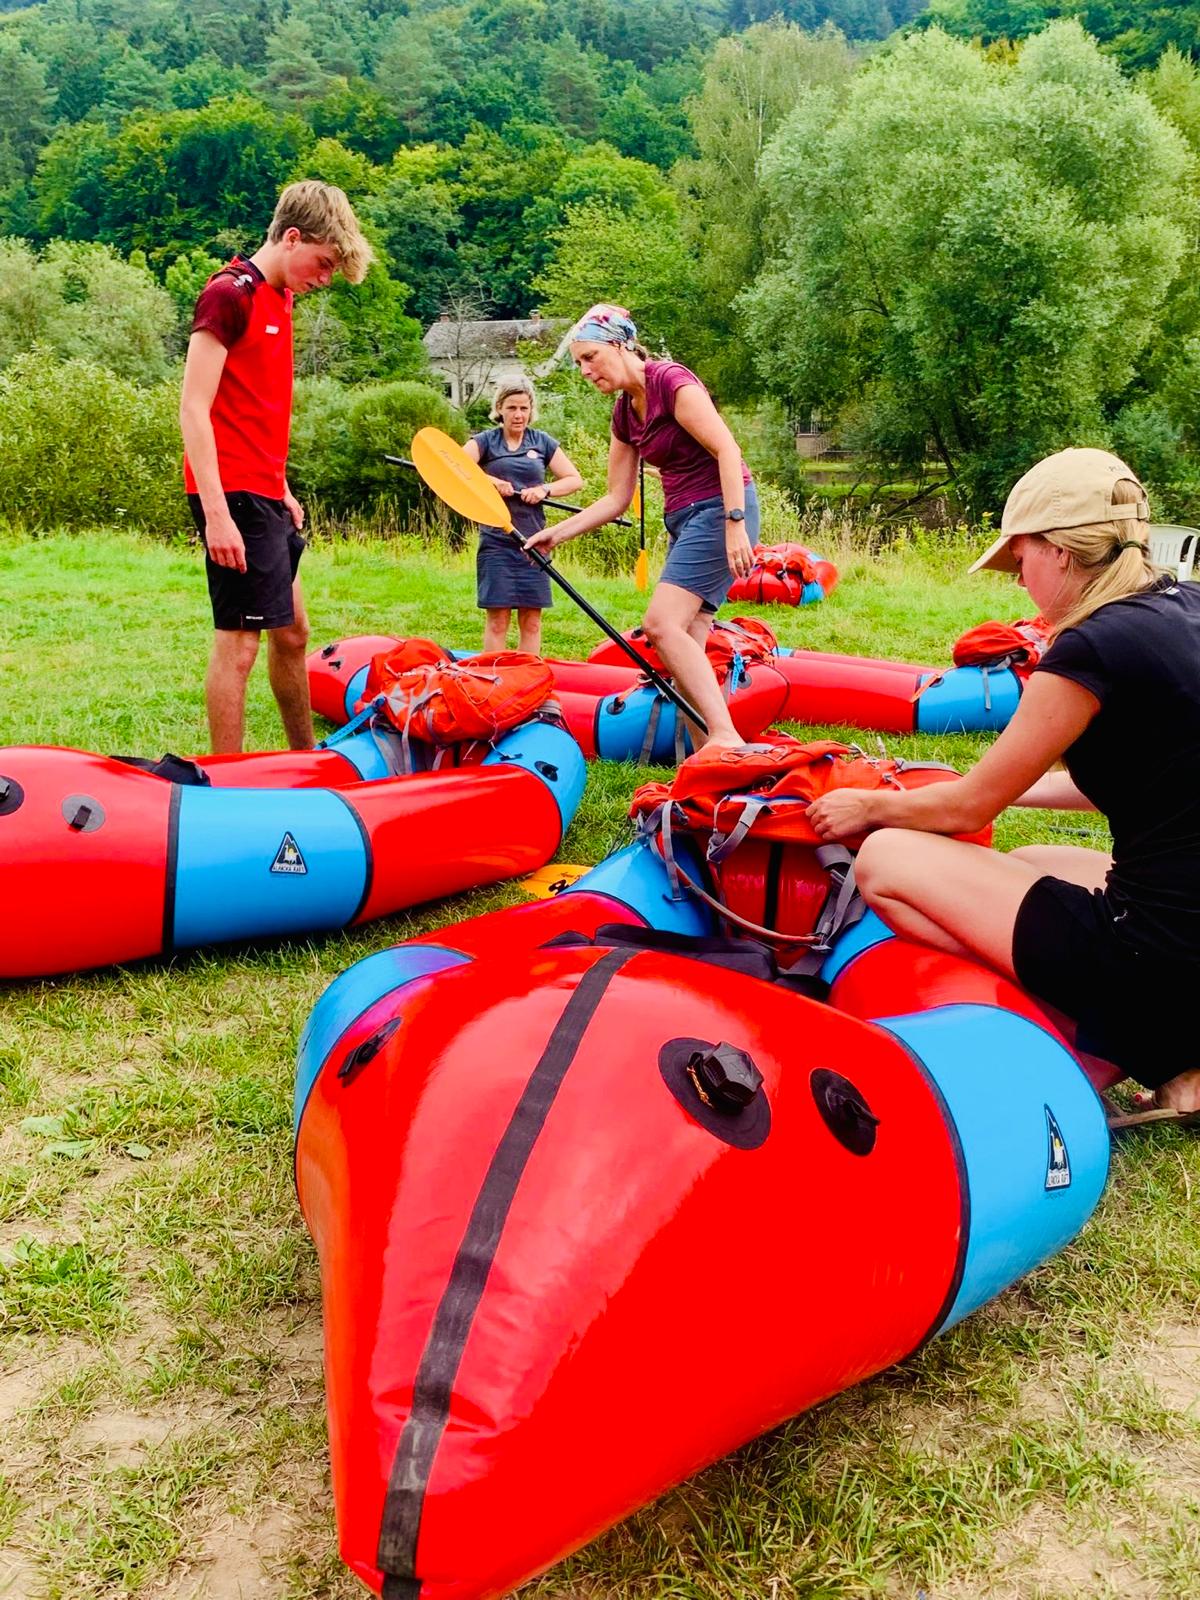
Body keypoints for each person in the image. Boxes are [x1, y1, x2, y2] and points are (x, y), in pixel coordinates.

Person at [806, 447, 1200, 1117]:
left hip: (1154, 953)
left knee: (885, 862)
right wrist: (1001, 783)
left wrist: (870, 805)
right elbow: (1143, 781)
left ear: (1059, 553)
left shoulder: (1092, 649)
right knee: (1031, 862)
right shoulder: (1184, 605)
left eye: (1020, 562)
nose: (1020, 582)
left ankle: (1129, 1041)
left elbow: (966, 810)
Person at [180, 180, 373, 753]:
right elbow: (195, 408)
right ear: (292, 238)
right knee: (238, 645)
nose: (324, 277)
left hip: (263, 490)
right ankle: (226, 781)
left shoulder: (280, 297)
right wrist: (217, 513)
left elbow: (254, 404)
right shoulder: (228, 293)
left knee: (292, 633)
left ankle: (303, 758)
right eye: (324, 263)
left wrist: (281, 484)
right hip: (231, 494)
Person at [523, 304, 759, 750]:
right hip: (685, 518)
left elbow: (728, 450)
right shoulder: (623, 414)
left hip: (720, 507)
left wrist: (734, 524)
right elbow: (616, 498)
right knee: (686, 636)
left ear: (620, 343)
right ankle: (707, 755)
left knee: (661, 625)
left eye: (590, 356)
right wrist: (560, 532)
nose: (584, 370)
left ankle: (725, 737)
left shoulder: (670, 381)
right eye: (578, 363)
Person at [463, 378, 582, 656]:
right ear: (499, 409)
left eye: (524, 408)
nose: (518, 415)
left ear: (531, 410)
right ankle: (493, 680)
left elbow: (575, 480)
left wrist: (544, 489)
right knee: (498, 620)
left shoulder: (541, 442)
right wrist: (491, 482)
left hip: (533, 542)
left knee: (531, 621)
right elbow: (455, 468)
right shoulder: (485, 441)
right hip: (497, 540)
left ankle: (528, 679)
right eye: (512, 408)